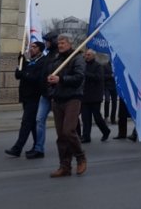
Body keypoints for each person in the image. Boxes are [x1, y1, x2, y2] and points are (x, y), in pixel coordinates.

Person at [47, 34, 86, 177]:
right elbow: (51, 78)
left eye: (63, 43)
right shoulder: (56, 59)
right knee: (61, 135)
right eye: (59, 43)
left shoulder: (77, 58)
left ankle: (80, 156)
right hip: (58, 99)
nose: (60, 45)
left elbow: (79, 77)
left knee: (68, 130)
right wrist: (51, 89)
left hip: (72, 98)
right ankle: (65, 166)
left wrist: (61, 79)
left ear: (70, 44)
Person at [6, 40, 45, 157]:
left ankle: (17, 148)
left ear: (40, 49)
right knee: (32, 124)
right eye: (30, 47)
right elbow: (19, 75)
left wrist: (24, 73)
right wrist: (20, 62)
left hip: (35, 97)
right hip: (25, 96)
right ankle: (38, 147)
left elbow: (35, 78)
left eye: (34, 47)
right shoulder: (29, 62)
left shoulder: (42, 62)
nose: (31, 49)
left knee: (26, 123)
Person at [28, 31, 59, 159]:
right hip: (45, 95)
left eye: (48, 41)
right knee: (39, 120)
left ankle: (71, 146)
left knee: (63, 125)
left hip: (56, 95)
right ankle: (39, 148)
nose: (46, 43)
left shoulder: (59, 57)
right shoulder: (47, 57)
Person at [80, 49, 111, 143]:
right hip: (84, 95)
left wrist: (85, 74)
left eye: (89, 55)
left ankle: (106, 131)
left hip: (95, 96)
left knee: (97, 117)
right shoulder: (83, 65)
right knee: (85, 118)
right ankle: (86, 136)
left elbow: (98, 78)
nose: (87, 56)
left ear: (93, 56)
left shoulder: (98, 66)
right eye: (86, 55)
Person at [103, 60, 118, 124]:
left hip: (115, 87)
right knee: (107, 101)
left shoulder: (116, 66)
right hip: (107, 86)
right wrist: (111, 76)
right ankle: (106, 117)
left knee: (114, 103)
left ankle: (113, 118)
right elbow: (103, 76)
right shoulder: (105, 66)